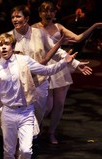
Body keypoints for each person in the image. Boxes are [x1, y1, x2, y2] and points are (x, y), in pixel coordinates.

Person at [7, 5, 92, 142]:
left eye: (18, 16)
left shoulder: (39, 33)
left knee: (40, 113)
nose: (15, 19)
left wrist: (75, 64)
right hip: (19, 83)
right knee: (22, 115)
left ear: (27, 18)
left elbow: (57, 52)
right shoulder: (9, 37)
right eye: (13, 17)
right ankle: (24, 144)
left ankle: (36, 137)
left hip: (39, 82)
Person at [32, 1, 102, 144]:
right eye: (45, 11)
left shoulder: (59, 27)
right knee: (46, 106)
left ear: (55, 13)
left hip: (60, 66)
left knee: (59, 103)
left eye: (51, 11)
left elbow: (78, 38)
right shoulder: (34, 28)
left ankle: (51, 133)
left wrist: (94, 26)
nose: (48, 13)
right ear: (40, 13)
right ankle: (36, 128)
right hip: (43, 67)